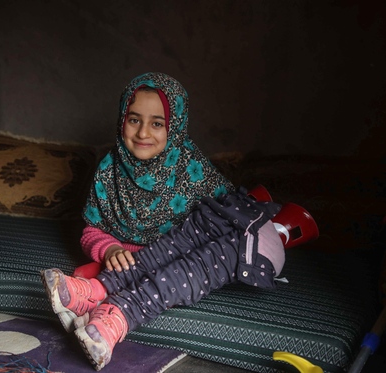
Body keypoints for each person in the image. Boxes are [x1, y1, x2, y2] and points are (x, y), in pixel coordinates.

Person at [40, 73, 304, 371]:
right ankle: (92, 295)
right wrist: (109, 249)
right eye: (134, 119)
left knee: (203, 246)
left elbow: (223, 216)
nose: (142, 133)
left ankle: (109, 310)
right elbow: (91, 230)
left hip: (180, 259)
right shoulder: (108, 169)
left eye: (157, 123)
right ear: (121, 119)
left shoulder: (189, 166)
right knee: (138, 261)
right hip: (122, 262)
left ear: (175, 127)